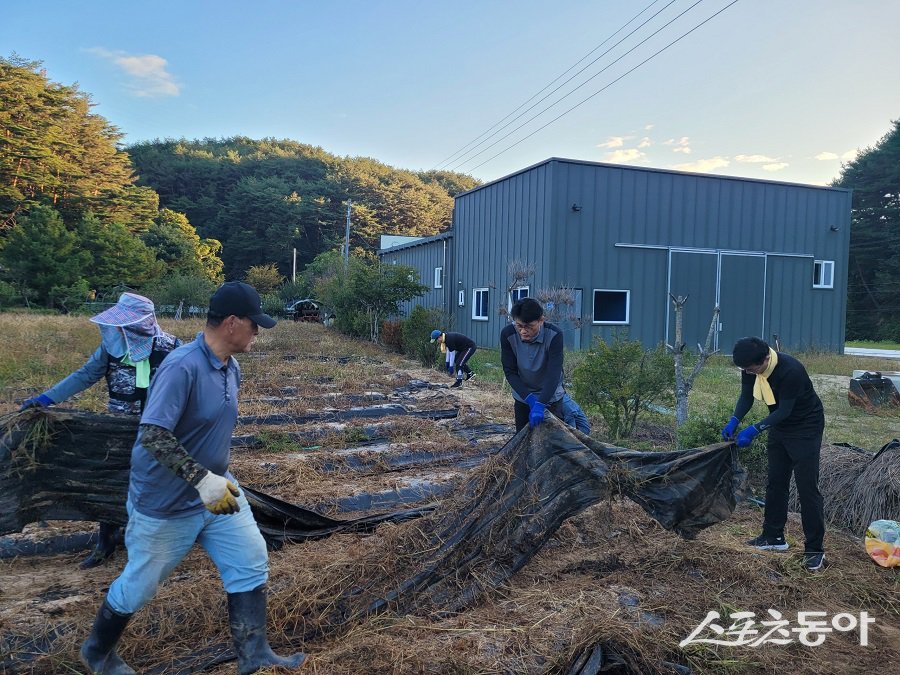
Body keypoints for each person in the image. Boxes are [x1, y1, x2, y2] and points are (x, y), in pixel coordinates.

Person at [78, 281, 306, 675]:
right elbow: (151, 434)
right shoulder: (182, 366)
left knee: (250, 559)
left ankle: (253, 655)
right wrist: (201, 480)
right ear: (232, 323)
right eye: (255, 325)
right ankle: (97, 652)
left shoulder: (230, 368)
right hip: (167, 503)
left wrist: (214, 480)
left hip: (217, 494)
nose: (258, 332)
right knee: (140, 585)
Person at [20, 292, 182, 569]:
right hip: (116, 429)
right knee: (111, 479)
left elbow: (185, 387)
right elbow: (84, 376)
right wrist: (45, 399)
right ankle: (106, 541)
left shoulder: (172, 348)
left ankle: (155, 541)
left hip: (159, 430)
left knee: (158, 483)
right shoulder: (110, 348)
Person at [721, 336, 826, 572]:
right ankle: (773, 537)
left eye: (751, 369)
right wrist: (735, 420)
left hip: (805, 428)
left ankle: (814, 550)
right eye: (744, 369)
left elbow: (785, 410)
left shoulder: (791, 371)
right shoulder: (750, 365)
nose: (748, 372)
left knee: (807, 488)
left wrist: (755, 429)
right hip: (779, 427)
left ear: (766, 358)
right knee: (776, 481)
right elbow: (747, 395)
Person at [500, 298, 591, 435]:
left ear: (541, 321)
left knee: (555, 439)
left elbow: (553, 373)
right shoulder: (508, 334)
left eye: (529, 326)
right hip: (523, 396)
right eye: (519, 326)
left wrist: (541, 403)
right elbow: (510, 371)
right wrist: (529, 399)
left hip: (551, 397)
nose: (523, 331)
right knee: (525, 438)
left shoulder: (554, 335)